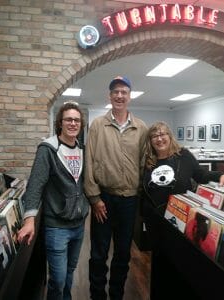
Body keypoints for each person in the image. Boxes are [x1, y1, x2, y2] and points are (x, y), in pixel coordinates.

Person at [141, 121, 224, 300]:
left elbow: (201, 175)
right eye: (155, 135)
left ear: (170, 137)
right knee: (160, 263)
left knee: (181, 266)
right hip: (156, 221)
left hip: (180, 220)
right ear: (150, 140)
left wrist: (220, 175)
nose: (160, 138)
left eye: (163, 134)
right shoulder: (147, 160)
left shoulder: (183, 156)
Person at [84, 76, 148, 300]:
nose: (120, 96)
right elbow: (89, 161)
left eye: (124, 92)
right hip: (104, 200)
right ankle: (97, 295)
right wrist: (94, 198)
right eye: (115, 92)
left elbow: (145, 162)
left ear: (130, 96)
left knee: (123, 253)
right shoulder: (97, 126)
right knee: (98, 253)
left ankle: (116, 294)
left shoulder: (141, 128)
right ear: (109, 96)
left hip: (129, 201)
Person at [17, 102, 89, 300]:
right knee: (57, 279)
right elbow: (35, 184)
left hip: (78, 224)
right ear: (60, 123)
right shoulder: (47, 148)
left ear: (81, 124)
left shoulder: (83, 149)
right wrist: (29, 218)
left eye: (77, 120)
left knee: (69, 273)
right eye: (68, 119)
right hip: (57, 226)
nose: (73, 123)